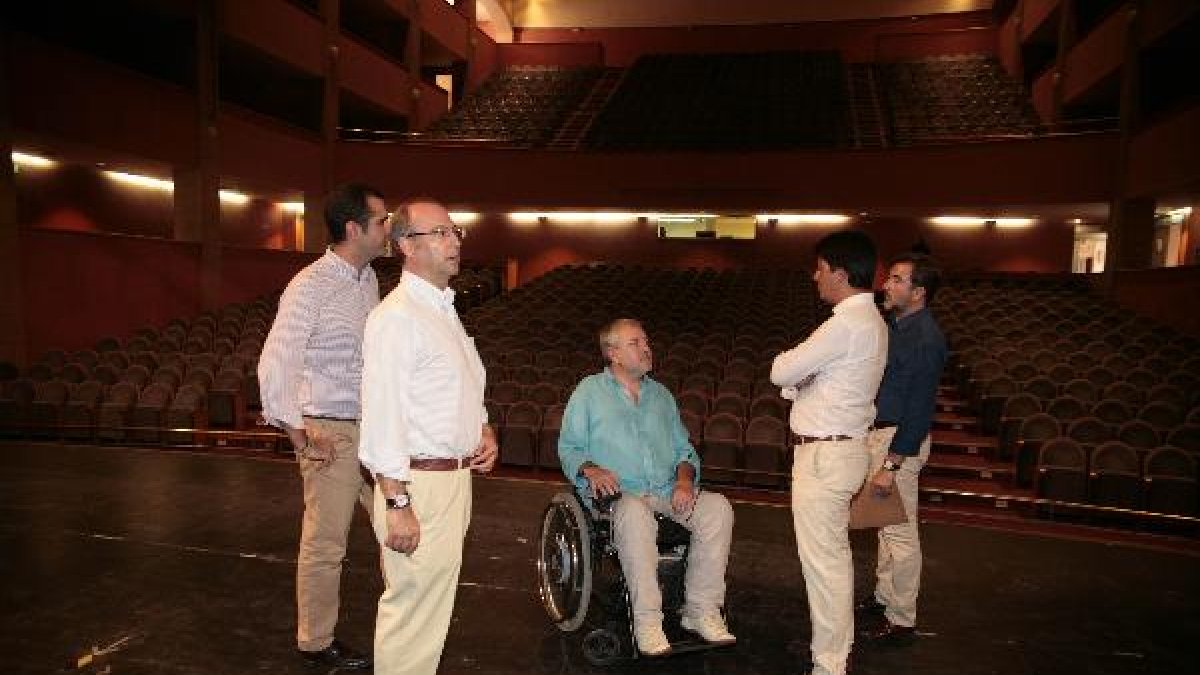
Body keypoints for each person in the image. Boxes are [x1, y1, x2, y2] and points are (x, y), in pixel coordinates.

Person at [357, 200, 498, 675]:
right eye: (439, 233)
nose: (454, 240)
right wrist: (397, 503)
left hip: (451, 481)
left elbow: (457, 385)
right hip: (417, 485)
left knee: (429, 611)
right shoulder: (397, 317)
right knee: (413, 612)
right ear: (405, 247)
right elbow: (382, 415)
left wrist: (481, 427)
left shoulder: (442, 309)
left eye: (454, 230)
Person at [257, 182, 390, 670]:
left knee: (392, 530)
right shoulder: (310, 283)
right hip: (328, 430)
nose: (388, 229)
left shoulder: (369, 281)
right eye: (382, 221)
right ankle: (315, 641)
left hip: (371, 431)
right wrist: (297, 431)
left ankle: (397, 626)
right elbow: (277, 360)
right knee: (326, 542)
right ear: (354, 229)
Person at [558, 318, 736, 658]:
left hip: (667, 490)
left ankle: (701, 611)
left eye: (646, 341)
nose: (646, 348)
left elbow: (685, 452)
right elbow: (569, 448)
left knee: (718, 509)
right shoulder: (589, 391)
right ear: (613, 353)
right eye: (636, 342)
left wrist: (685, 480)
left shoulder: (662, 396)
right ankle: (648, 621)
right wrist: (591, 469)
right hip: (618, 495)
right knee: (634, 512)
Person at [770, 230, 888, 675]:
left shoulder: (845, 322)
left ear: (839, 273)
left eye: (819, 268)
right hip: (844, 451)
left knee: (824, 565)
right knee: (832, 560)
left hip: (825, 458)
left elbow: (782, 369)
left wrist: (801, 378)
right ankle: (836, 652)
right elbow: (798, 378)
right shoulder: (870, 321)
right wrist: (804, 379)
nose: (814, 276)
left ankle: (830, 663)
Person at [856, 253, 946, 642]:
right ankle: (883, 597)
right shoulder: (897, 326)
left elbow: (920, 410)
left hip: (898, 444)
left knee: (900, 534)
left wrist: (890, 465)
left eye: (896, 280)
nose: (886, 286)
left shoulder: (926, 339)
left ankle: (902, 618)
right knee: (885, 526)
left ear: (918, 292)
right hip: (884, 436)